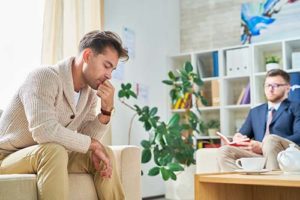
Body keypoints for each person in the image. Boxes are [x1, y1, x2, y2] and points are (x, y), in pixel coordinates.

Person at [0, 30, 128, 200]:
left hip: (52, 156)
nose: (109, 75)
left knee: (104, 154)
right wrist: (92, 144)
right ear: (88, 55)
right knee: (54, 151)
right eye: (106, 65)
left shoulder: (88, 94)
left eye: (112, 69)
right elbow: (44, 131)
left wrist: (105, 111)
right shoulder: (44, 77)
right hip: (8, 157)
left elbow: (87, 139)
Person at [218, 69, 300, 171]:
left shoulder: (296, 107)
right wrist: (238, 138)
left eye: (276, 85)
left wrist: (263, 145)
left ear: (287, 88)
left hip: (285, 155)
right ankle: (243, 186)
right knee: (225, 151)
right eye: (267, 85)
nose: (270, 89)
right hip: (259, 155)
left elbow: (298, 136)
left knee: (270, 140)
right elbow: (244, 134)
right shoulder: (255, 111)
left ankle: (273, 185)